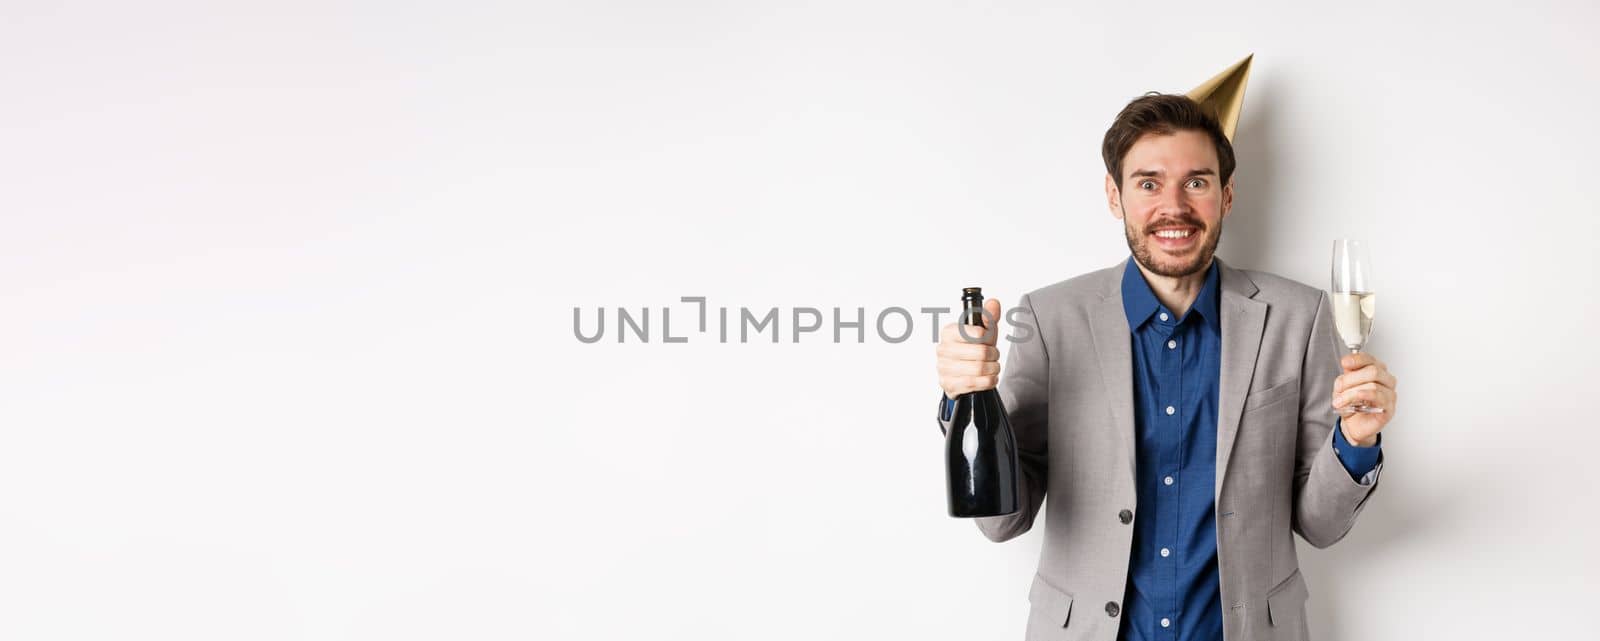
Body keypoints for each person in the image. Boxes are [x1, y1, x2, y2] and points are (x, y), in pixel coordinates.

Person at [933, 92, 1397, 641]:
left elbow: (1319, 525)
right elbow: (1002, 521)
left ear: (1226, 195)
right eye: (1148, 183)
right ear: (1115, 195)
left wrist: (1355, 443)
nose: (1172, 207)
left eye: (1196, 182)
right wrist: (966, 399)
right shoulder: (1049, 318)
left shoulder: (1300, 315)